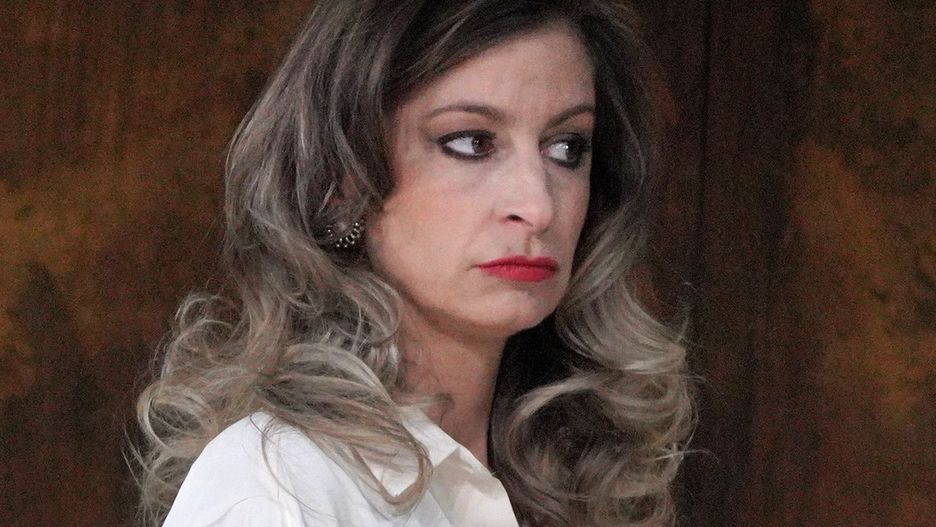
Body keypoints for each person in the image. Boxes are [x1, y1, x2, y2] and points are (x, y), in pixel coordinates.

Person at [135, 1, 692, 525]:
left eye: (566, 147)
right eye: (471, 142)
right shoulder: (281, 486)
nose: (538, 205)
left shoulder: (577, 476)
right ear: (341, 182)